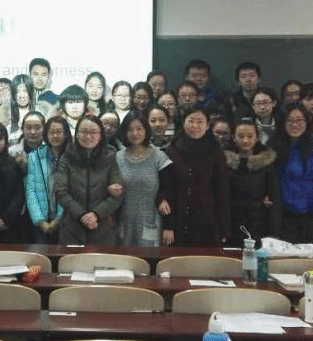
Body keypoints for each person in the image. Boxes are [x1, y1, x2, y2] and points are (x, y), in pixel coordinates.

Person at [53, 114, 123, 245]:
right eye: (84, 132)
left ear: (101, 135)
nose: (88, 137)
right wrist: (82, 215)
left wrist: (96, 214)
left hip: (103, 227)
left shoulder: (110, 157)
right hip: (72, 227)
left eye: (93, 132)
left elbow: (118, 193)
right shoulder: (67, 157)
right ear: (76, 134)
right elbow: (60, 191)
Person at [164, 106, 229, 246]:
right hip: (178, 218)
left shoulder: (216, 152)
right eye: (191, 121)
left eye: (200, 122)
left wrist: (223, 227)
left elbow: (222, 191)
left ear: (207, 126)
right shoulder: (172, 151)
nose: (195, 126)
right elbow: (167, 189)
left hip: (207, 218)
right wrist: (168, 224)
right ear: (183, 123)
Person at [272, 103, 313, 243]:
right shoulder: (273, 146)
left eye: (300, 120)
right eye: (290, 120)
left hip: (311, 216)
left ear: (307, 122)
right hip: (284, 217)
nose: (295, 125)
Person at [115, 112, 173, 247]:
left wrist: (169, 225)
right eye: (130, 129)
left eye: (139, 129)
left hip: (151, 223)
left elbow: (169, 191)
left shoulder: (159, 157)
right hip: (125, 223)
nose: (135, 133)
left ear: (146, 130)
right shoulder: (118, 158)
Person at [224, 117, 278, 246]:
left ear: (257, 138)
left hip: (259, 224)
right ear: (233, 137)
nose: (245, 140)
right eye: (240, 136)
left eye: (250, 136)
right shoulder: (224, 162)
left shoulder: (267, 163)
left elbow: (274, 197)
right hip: (232, 223)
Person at [24, 115, 69, 243]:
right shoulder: (35, 156)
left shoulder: (72, 157)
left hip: (66, 220)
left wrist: (59, 219)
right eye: (51, 132)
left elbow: (73, 191)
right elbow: (31, 191)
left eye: (59, 132)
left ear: (66, 134)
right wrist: (40, 220)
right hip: (41, 221)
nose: (55, 136)